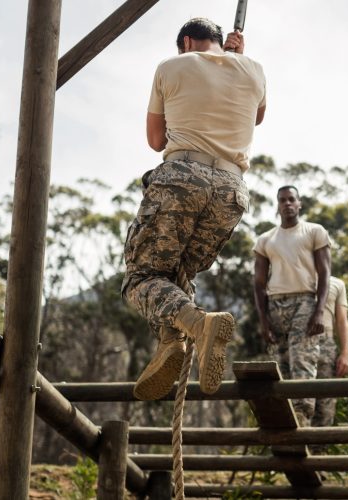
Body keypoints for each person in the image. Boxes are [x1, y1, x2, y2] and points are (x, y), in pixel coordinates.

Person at [124, 17, 266, 400]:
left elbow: (156, 140)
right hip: (231, 191)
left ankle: (199, 325)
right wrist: (239, 59)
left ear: (186, 42)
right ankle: (172, 341)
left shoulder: (172, 66)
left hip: (183, 176)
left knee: (141, 278)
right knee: (177, 277)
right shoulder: (254, 70)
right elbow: (256, 115)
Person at [253, 186, 331, 426]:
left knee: (302, 359)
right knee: (281, 365)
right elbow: (259, 283)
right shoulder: (265, 239)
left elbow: (325, 273)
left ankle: (302, 419)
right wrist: (264, 322)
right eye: (282, 200)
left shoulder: (314, 232)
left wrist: (319, 311)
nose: (287, 204)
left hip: (305, 301)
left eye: (291, 199)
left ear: (299, 203)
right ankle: (285, 425)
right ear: (277, 205)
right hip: (275, 305)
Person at [309, 275, 348, 450]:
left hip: (325, 343)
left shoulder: (337, 284)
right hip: (297, 341)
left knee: (325, 406)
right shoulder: (295, 279)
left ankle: (318, 457)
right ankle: (295, 454)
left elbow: (342, 320)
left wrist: (345, 353)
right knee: (298, 402)